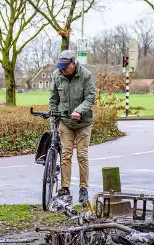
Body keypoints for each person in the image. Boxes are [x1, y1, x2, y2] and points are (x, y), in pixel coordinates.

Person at [48, 50, 97, 204]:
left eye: (65, 67)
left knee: (82, 155)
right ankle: (65, 188)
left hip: (83, 122)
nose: (62, 70)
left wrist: (79, 111)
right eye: (60, 67)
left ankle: (83, 189)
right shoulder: (57, 75)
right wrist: (54, 115)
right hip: (65, 122)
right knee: (66, 154)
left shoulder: (86, 75)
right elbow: (53, 98)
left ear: (73, 64)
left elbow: (90, 97)